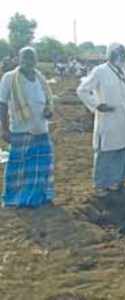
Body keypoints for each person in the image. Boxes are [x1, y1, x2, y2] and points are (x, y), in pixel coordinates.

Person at [77, 43, 125, 198]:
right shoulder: (100, 71)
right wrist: (98, 105)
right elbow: (82, 90)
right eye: (119, 54)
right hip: (108, 119)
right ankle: (101, 185)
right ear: (111, 55)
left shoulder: (123, 72)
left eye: (123, 54)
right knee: (106, 153)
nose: (123, 57)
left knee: (124, 151)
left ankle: (119, 183)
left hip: (124, 120)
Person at [0, 47, 55, 208]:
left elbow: (47, 101)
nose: (28, 61)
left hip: (41, 129)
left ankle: (38, 198)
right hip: (20, 130)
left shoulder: (40, 78)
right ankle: (15, 200)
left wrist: (48, 111)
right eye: (25, 57)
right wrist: (3, 129)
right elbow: (2, 103)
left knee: (42, 165)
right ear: (19, 59)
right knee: (18, 168)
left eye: (31, 58)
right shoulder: (9, 78)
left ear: (35, 60)